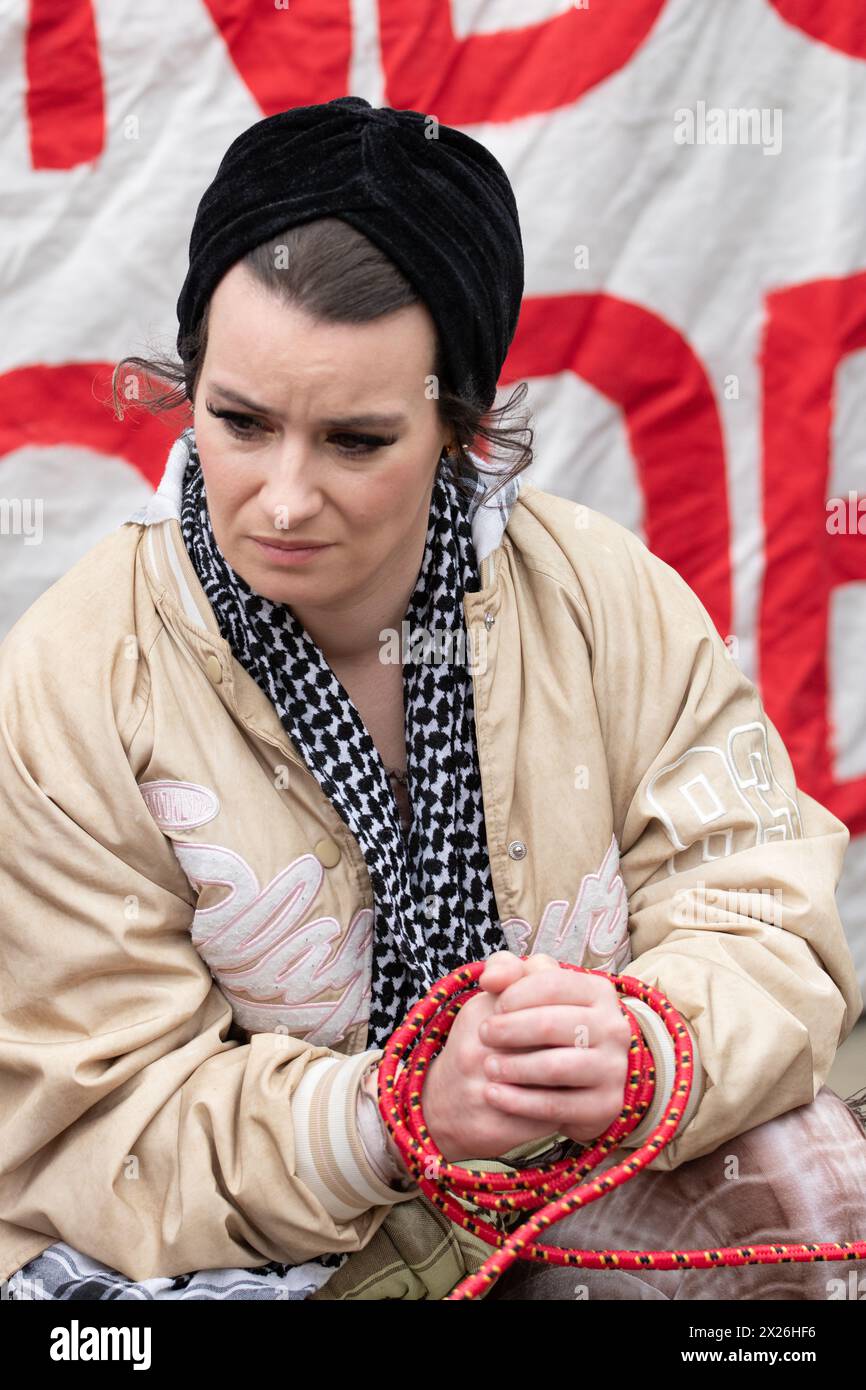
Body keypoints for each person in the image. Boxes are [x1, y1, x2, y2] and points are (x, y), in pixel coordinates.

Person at [0, 97, 862, 1303]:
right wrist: (388, 1111)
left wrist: (644, 1042)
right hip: (263, 1261)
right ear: (185, 391)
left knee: (813, 1175)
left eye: (354, 441)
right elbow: (87, 1128)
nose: (283, 498)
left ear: (462, 431)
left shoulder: (599, 597)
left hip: (568, 1184)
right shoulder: (72, 679)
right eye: (238, 423)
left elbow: (766, 919)